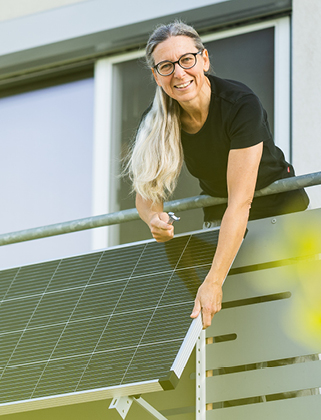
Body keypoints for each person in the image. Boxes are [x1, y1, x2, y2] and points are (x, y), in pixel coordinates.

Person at [128, 21, 309, 328]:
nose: (179, 73)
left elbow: (241, 201)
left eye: (187, 60)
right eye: (167, 66)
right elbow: (146, 197)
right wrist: (154, 219)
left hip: (277, 208)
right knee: (230, 309)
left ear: (205, 60)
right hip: (220, 211)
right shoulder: (156, 119)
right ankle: (212, 342)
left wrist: (213, 281)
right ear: (156, 76)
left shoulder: (240, 104)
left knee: (278, 314)